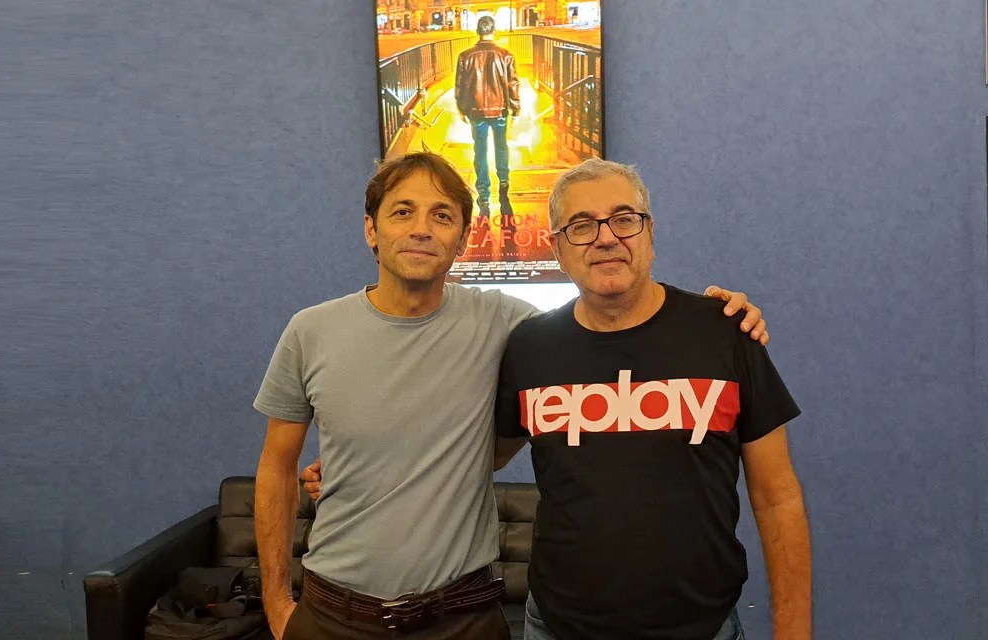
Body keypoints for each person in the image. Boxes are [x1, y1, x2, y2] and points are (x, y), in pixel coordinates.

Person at [255, 151, 768, 640]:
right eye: (402, 211)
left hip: (462, 617)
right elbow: (276, 468)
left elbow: (605, 317)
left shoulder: (510, 325)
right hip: (332, 613)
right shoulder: (309, 332)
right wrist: (276, 602)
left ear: (462, 238)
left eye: (442, 215)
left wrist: (720, 315)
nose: (421, 229)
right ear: (371, 228)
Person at [493, 159, 812, 640]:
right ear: (557, 248)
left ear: (650, 232)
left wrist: (794, 632)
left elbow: (778, 498)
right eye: (581, 226)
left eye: (624, 219)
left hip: (703, 627)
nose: (606, 238)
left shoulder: (725, 333)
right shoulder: (529, 347)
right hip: (558, 626)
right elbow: (482, 456)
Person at [454, 15, 520, 217]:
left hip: (476, 112)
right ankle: (504, 182)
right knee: (501, 147)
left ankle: (483, 194)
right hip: (500, 110)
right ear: (494, 30)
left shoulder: (465, 56)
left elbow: (460, 86)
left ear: (477, 31)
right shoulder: (505, 55)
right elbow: (512, 84)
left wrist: (462, 108)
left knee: (480, 151)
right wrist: (515, 108)